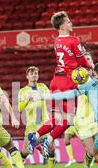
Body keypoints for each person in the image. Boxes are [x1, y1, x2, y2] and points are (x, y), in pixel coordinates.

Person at [27, 11, 94, 159]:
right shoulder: (74, 40)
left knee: (55, 118)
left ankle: (36, 135)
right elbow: (82, 62)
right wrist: (91, 66)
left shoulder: (57, 40)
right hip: (68, 81)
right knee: (67, 119)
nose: (71, 23)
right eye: (68, 21)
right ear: (62, 25)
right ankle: (48, 140)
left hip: (55, 79)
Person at [18, 66, 58, 168]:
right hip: (32, 125)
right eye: (32, 73)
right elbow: (19, 108)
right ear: (27, 76)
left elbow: (50, 98)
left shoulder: (43, 87)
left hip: (45, 122)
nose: (34, 75)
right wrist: (27, 99)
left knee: (52, 148)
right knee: (26, 151)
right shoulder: (23, 91)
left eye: (36, 73)